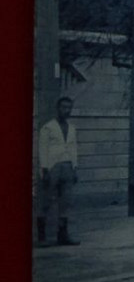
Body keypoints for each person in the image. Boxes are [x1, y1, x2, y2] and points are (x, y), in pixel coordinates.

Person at [37, 95, 80, 246]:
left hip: (68, 166)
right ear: (58, 109)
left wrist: (75, 168)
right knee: (46, 201)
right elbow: (42, 149)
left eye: (69, 108)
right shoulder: (48, 128)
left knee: (65, 202)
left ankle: (63, 235)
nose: (66, 111)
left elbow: (74, 149)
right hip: (52, 167)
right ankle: (41, 237)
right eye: (63, 107)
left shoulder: (72, 128)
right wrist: (45, 170)